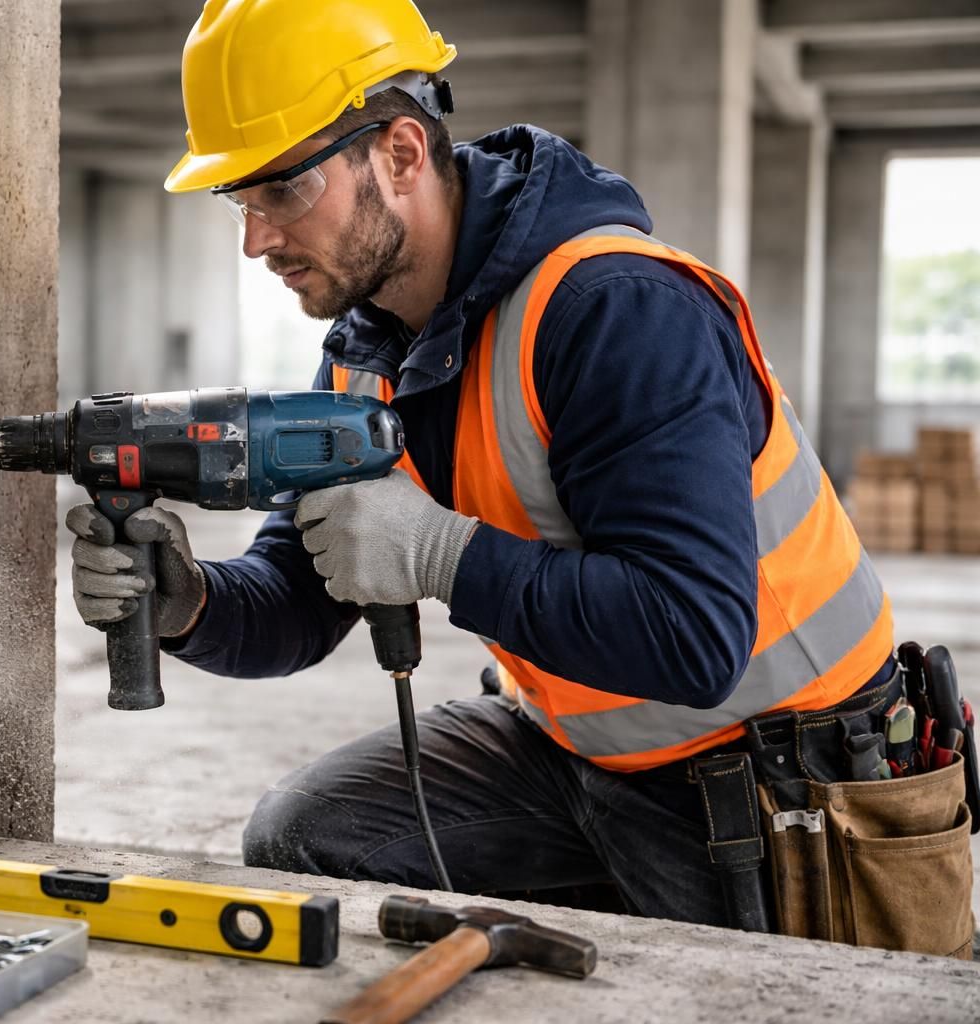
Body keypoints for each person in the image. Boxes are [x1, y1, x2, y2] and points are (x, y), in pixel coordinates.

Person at [64, 0, 895, 927]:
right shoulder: (366, 347)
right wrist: (189, 602)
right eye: (240, 202)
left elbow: (692, 639)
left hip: (781, 769)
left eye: (284, 191)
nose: (256, 240)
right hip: (569, 746)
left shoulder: (617, 309)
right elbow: (302, 593)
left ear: (402, 154)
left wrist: (441, 555)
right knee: (308, 836)